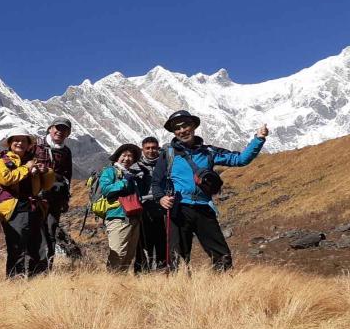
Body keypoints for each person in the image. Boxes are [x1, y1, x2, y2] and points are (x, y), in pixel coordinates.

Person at [151, 110, 268, 271]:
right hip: (178, 209)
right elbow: (156, 182)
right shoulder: (168, 154)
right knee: (177, 257)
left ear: (193, 126)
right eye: (177, 128)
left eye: (185, 125)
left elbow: (240, 159)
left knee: (222, 255)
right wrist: (161, 198)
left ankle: (221, 290)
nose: (182, 130)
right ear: (174, 132)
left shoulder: (209, 152)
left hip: (204, 208)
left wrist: (259, 139)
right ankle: (178, 291)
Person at [0, 128, 55, 278]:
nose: (20, 143)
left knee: (38, 247)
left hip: (34, 208)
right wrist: (27, 169)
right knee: (17, 248)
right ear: (9, 144)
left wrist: (46, 171)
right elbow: (6, 179)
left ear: (28, 144)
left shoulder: (33, 161)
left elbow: (46, 186)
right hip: (14, 209)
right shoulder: (2, 162)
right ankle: (15, 281)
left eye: (24, 140)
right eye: (16, 140)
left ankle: (39, 280)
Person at [35, 117, 73, 270]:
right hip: (35, 196)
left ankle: (46, 268)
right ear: (50, 128)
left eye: (64, 129)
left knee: (50, 231)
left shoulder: (66, 151)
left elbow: (68, 176)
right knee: (34, 230)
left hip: (56, 198)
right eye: (57, 128)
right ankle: (32, 266)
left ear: (68, 134)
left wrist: (65, 199)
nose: (60, 131)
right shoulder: (36, 145)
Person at [99, 143, 143, 271]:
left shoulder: (132, 174)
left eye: (130, 156)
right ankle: (111, 283)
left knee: (129, 254)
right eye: (124, 155)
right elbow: (106, 190)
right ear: (117, 157)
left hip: (134, 217)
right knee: (118, 253)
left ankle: (120, 285)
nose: (127, 159)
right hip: (118, 217)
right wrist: (124, 181)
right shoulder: (110, 171)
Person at [133, 136, 166, 272]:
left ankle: (162, 269)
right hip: (143, 209)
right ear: (142, 149)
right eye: (148, 148)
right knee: (143, 243)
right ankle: (141, 272)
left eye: (154, 148)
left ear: (158, 148)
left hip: (162, 208)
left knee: (162, 241)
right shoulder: (136, 166)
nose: (151, 151)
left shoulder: (165, 164)